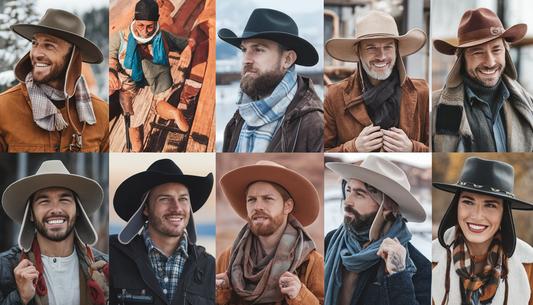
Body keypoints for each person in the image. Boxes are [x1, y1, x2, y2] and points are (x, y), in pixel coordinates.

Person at [324, 155, 430, 304]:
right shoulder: (331, 241)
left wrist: (399, 275)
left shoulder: (419, 266)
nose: (347, 201)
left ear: (388, 207)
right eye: (349, 190)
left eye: (359, 194)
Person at [0, 160, 109, 304]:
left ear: (77, 210)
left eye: (64, 200)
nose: (56, 209)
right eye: (44, 201)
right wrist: (20, 298)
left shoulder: (108, 268)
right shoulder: (3, 267)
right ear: (31, 214)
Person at [0, 9, 109, 152]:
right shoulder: (3, 109)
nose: (37, 53)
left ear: (72, 56)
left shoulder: (103, 114)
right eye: (34, 43)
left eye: (49, 45)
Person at [216, 160, 324, 304]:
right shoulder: (227, 258)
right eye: (251, 200)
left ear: (288, 206)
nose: (257, 207)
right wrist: (216, 295)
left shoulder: (312, 263)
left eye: (268, 198)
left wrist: (300, 296)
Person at [109, 159, 215, 304]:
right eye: (165, 199)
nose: (176, 208)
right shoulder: (112, 255)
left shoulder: (209, 267)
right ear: (145, 208)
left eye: (183, 199)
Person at [218, 8, 324, 152]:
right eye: (244, 50)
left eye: (258, 50)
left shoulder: (315, 126)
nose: (245, 60)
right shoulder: (240, 117)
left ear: (287, 59)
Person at [324, 11, 429, 152]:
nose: (381, 56)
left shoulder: (422, 92)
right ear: (358, 51)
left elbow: (436, 148)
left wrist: (412, 149)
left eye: (388, 47)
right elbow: (321, 151)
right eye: (371, 48)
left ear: (397, 50)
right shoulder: (334, 96)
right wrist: (354, 148)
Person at [432, 157, 533, 304]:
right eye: (468, 202)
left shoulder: (529, 264)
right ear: (456, 206)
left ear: (504, 213)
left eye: (490, 205)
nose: (477, 216)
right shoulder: (429, 259)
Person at [432, 8, 533, 152]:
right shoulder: (434, 108)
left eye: (496, 50)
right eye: (478, 52)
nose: (490, 62)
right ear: (462, 59)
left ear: (506, 52)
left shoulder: (529, 106)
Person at [109, 0, 197, 151]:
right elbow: (111, 60)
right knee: (141, 115)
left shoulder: (163, 36)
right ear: (135, 20)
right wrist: (111, 73)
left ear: (156, 21)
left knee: (140, 118)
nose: (145, 31)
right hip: (130, 84)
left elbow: (190, 41)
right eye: (141, 25)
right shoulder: (119, 37)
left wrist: (188, 49)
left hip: (155, 83)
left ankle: (174, 116)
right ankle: (173, 114)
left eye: (150, 26)